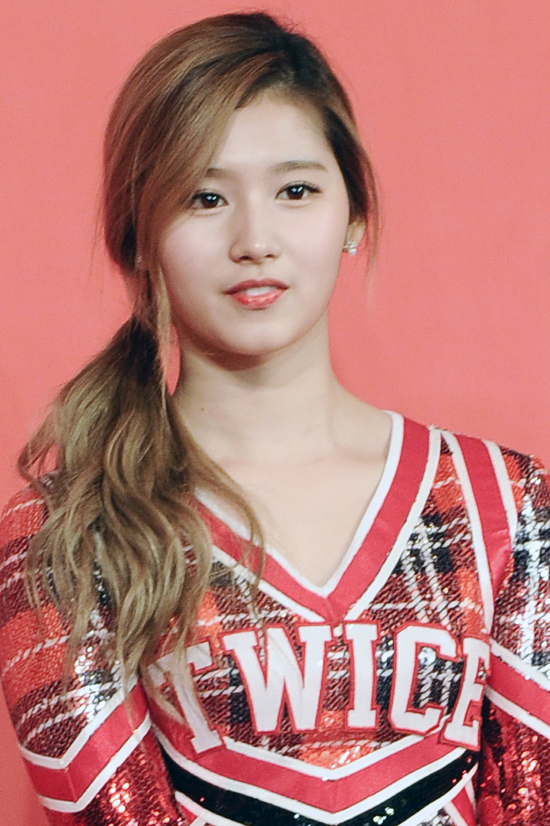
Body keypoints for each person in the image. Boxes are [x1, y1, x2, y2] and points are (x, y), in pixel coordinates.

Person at [0, 11, 549, 826]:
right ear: (138, 238)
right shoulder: (68, 531)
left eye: (296, 190)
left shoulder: (504, 503)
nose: (255, 239)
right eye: (205, 197)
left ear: (354, 214)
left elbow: (532, 797)